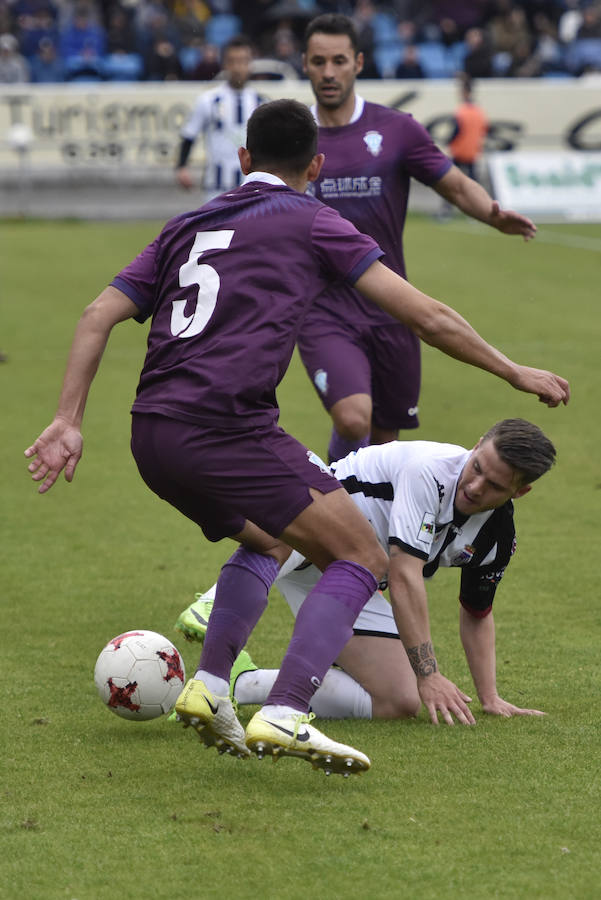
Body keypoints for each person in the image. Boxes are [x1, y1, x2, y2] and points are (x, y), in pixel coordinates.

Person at [25, 100, 568, 777]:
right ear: (315, 165)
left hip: (151, 435)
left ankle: (210, 686)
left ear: (244, 160)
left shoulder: (184, 224)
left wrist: (67, 420)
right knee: (361, 558)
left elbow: (97, 312)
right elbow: (424, 316)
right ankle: (284, 712)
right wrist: (510, 370)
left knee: (268, 540)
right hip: (228, 428)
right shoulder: (314, 221)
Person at [177, 419, 555, 725]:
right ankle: (215, 606)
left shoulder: (497, 539)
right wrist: (430, 674)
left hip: (353, 576)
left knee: (399, 701)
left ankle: (242, 685)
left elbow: (477, 612)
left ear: (520, 493)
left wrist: (488, 697)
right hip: (310, 530)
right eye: (477, 467)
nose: (474, 486)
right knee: (300, 523)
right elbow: (405, 576)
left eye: (494, 485)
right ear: (475, 446)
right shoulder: (429, 471)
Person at [299, 13, 537, 466]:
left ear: (358, 63)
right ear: (305, 65)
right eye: (318, 62)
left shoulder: (396, 129)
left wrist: (492, 214)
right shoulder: (294, 136)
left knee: (386, 444)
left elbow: (455, 185)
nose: (328, 72)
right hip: (324, 307)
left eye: (339, 61)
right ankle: (333, 506)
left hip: (394, 305)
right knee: (353, 420)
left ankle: (361, 526)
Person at [175, 35, 264, 198]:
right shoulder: (208, 100)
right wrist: (181, 167)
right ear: (224, 64)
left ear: (250, 64)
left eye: (243, 61)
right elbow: (189, 135)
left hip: (251, 190)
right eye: (232, 61)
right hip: (216, 188)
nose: (238, 67)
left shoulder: (261, 103)